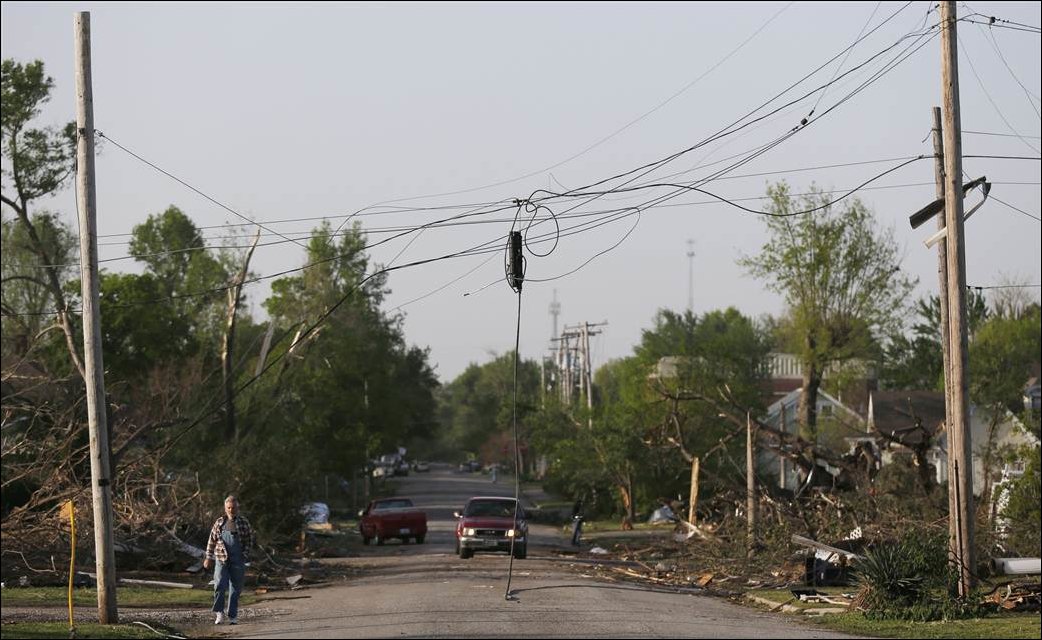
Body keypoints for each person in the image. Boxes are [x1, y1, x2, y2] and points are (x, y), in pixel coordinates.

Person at [204, 495, 255, 625]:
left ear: (238, 508)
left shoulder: (244, 522)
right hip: (221, 559)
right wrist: (208, 557)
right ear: (225, 508)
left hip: (238, 559)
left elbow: (249, 540)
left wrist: (245, 554)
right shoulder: (220, 522)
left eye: (233, 508)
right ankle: (219, 613)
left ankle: (232, 615)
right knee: (219, 585)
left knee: (235, 588)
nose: (231, 510)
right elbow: (212, 540)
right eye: (229, 508)